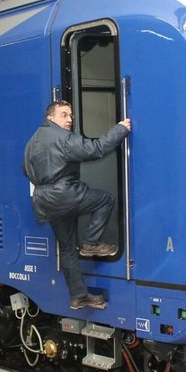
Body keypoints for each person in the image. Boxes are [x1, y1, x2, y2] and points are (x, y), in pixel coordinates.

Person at [23, 100, 131, 310]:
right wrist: (121, 129)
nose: (69, 120)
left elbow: (25, 169)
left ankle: (78, 296)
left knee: (67, 248)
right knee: (105, 199)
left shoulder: (32, 141)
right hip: (65, 193)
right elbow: (96, 149)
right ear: (50, 118)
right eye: (64, 115)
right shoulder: (62, 138)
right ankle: (91, 242)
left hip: (45, 200)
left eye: (71, 116)